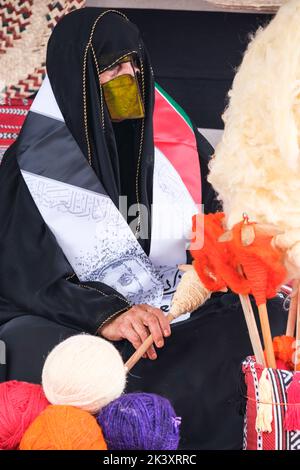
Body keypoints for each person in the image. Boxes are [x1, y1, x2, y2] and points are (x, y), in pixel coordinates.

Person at [0, 8, 286, 449]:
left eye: (136, 62)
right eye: (112, 67)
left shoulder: (175, 144)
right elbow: (25, 276)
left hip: (172, 311)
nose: (129, 76)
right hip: (83, 323)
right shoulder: (30, 169)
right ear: (76, 78)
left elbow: (213, 230)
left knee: (266, 320)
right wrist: (107, 315)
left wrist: (230, 265)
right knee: (56, 351)